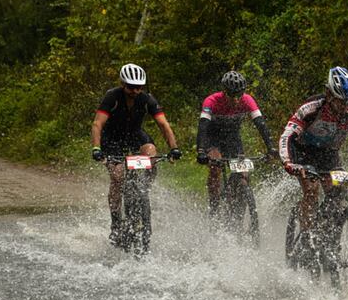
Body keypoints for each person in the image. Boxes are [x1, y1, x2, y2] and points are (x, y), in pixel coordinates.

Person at [279, 66, 348, 234]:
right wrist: (288, 163)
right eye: (341, 101)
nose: (345, 107)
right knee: (312, 191)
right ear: (329, 94)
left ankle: (331, 239)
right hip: (302, 152)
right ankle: (305, 237)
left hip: (329, 154)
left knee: (339, 195)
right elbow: (287, 136)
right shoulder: (310, 109)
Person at [91, 63, 182, 244]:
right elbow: (97, 124)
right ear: (122, 84)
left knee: (151, 153)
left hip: (135, 135)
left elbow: (163, 125)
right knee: (117, 176)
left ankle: (143, 190)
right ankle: (116, 220)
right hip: (112, 139)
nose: (135, 91)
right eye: (131, 87)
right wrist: (96, 148)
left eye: (139, 87)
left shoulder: (147, 99)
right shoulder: (112, 97)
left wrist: (174, 148)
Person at [196, 71, 278, 213]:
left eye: (239, 95)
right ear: (224, 91)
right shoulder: (212, 101)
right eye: (232, 95)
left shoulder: (247, 100)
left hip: (233, 139)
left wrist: (271, 148)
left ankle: (239, 211)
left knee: (244, 175)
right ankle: (214, 206)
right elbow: (203, 126)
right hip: (213, 139)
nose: (236, 99)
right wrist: (201, 151)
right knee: (215, 168)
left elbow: (260, 124)